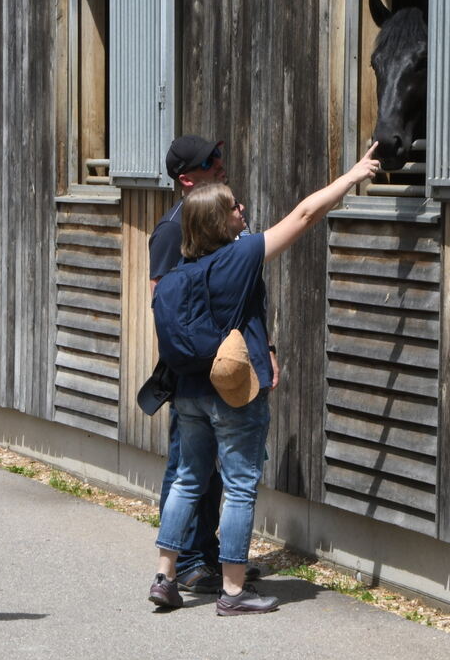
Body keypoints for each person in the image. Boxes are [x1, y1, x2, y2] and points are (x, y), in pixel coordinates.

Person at [148, 142, 381, 615]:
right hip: (232, 395)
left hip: (188, 393)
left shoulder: (177, 276)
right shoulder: (238, 258)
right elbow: (305, 215)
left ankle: (164, 576)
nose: (243, 210)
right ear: (219, 222)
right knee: (238, 486)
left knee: (188, 481)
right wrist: (352, 175)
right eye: (234, 207)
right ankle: (233, 591)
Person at [148, 135, 274, 595]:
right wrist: (212, 352)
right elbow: (164, 301)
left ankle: (186, 564)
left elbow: (247, 304)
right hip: (201, 374)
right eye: (209, 162)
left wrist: (265, 350)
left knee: (198, 474)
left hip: (219, 368)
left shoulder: (220, 230)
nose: (221, 164)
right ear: (187, 178)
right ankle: (194, 563)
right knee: (189, 470)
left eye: (219, 155)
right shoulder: (172, 230)